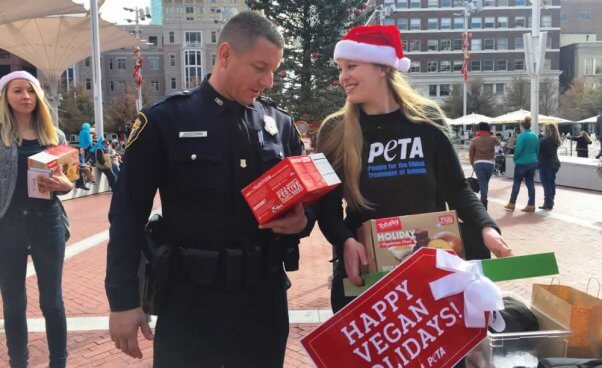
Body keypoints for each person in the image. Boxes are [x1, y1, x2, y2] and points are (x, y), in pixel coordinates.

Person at [105, 11, 313, 368]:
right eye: (260, 67)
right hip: (191, 299)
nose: (270, 81)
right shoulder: (164, 121)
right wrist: (123, 300)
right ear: (226, 55)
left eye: (274, 70)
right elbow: (127, 215)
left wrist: (301, 222)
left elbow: (303, 206)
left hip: (262, 299)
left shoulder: (279, 124)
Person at [316, 25, 513, 316]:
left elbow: (457, 188)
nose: (343, 76)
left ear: (382, 68)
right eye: (341, 68)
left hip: (432, 271)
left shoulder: (427, 120)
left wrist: (486, 227)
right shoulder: (335, 129)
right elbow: (327, 205)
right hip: (367, 271)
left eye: (352, 66)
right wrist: (344, 241)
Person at [0, 71, 72, 368]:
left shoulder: (54, 136)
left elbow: (69, 180)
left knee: (51, 301)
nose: (25, 97)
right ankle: (19, 362)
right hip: (8, 226)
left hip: (47, 222)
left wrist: (64, 185)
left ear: (39, 96)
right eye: (17, 91)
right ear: (5, 96)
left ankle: (59, 362)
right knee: (14, 304)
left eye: (30, 91)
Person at [504, 116, 539, 212]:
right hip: (533, 161)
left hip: (522, 162)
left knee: (517, 183)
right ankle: (531, 205)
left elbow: (518, 150)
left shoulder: (521, 136)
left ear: (522, 126)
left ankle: (512, 203)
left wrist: (515, 158)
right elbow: (537, 150)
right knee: (530, 183)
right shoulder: (535, 136)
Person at [469, 122, 500, 209]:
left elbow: (471, 153)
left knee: (483, 183)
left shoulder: (475, 140)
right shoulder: (494, 138)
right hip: (490, 163)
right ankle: (484, 201)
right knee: (485, 183)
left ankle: (484, 202)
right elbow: (499, 149)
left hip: (478, 163)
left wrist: (472, 163)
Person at [538, 123, 561, 210]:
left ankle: (548, 203)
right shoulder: (555, 140)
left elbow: (537, 150)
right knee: (551, 183)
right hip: (555, 163)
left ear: (547, 131)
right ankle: (550, 201)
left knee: (546, 184)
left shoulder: (544, 141)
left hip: (546, 164)